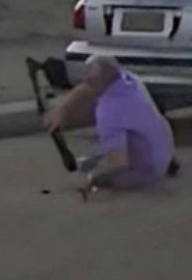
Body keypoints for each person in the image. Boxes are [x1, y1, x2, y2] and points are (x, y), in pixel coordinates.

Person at [45, 57, 180, 194]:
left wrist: (91, 179)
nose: (83, 83)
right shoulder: (128, 79)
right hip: (163, 147)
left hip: (149, 170)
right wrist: (62, 109)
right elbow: (87, 87)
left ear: (98, 83)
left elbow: (118, 163)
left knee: (110, 168)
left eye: (88, 81)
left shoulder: (109, 111)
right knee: (110, 145)